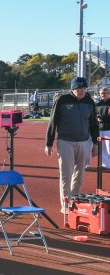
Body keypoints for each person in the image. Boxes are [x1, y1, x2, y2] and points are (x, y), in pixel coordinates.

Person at [45, 76, 99, 212]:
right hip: (66, 141)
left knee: (79, 175)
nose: (82, 90)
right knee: (66, 175)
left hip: (84, 142)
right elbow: (53, 121)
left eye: (84, 88)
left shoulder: (89, 101)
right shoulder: (62, 101)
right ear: (73, 88)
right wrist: (49, 143)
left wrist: (95, 143)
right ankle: (65, 205)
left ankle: (73, 202)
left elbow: (94, 124)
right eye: (79, 88)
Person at [95, 87, 110, 168]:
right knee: (102, 148)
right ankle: (106, 164)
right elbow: (95, 113)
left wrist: (102, 118)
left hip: (109, 129)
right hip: (100, 128)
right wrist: (97, 117)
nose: (102, 95)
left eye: (104, 93)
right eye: (101, 93)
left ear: (108, 93)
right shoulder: (98, 104)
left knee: (109, 148)